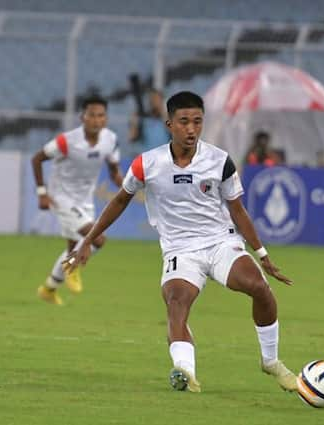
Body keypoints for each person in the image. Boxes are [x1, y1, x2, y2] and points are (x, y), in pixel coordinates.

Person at [65, 91, 298, 394]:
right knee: (177, 303)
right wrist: (88, 240)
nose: (191, 129)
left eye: (197, 122)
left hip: (220, 243)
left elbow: (237, 209)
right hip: (179, 250)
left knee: (259, 287)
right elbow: (120, 201)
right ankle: (186, 372)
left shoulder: (219, 161)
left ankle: (271, 361)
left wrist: (262, 253)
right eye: (184, 122)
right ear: (169, 124)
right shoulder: (147, 164)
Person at [32, 95, 123, 305]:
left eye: (101, 115)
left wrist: (130, 186)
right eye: (91, 115)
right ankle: (72, 267)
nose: (96, 120)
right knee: (97, 238)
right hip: (61, 196)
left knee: (73, 245)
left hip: (85, 200)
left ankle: (49, 288)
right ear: (83, 117)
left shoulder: (110, 140)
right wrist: (42, 193)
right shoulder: (67, 141)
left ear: (106, 119)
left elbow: (114, 172)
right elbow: (37, 158)